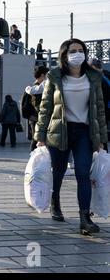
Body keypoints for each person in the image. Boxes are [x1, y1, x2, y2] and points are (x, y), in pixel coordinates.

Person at [35, 38, 107, 235]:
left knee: (83, 173)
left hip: (84, 132)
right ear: (64, 55)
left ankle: (85, 218)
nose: (78, 54)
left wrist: (101, 137)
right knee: (57, 171)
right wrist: (39, 135)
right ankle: (55, 201)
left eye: (80, 50)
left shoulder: (93, 77)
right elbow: (45, 107)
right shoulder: (54, 76)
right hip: (59, 131)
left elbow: (99, 109)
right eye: (73, 51)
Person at [23, 66, 49, 151]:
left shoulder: (32, 87)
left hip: (35, 117)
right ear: (42, 75)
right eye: (47, 75)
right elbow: (37, 105)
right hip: (36, 118)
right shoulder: (37, 88)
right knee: (37, 139)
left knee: (37, 138)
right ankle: (33, 159)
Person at [90, 58, 110, 151]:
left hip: (101, 112)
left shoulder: (99, 80)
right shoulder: (105, 76)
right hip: (105, 111)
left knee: (100, 138)